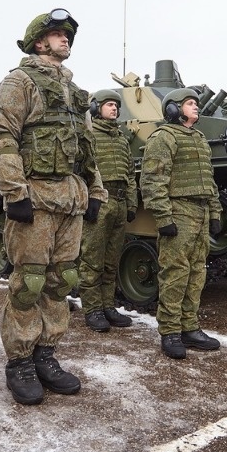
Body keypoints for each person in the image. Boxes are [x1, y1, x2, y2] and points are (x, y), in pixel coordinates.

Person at [0, 9, 107, 405]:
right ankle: (19, 361)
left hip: (70, 199)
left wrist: (95, 192)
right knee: (30, 281)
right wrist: (14, 191)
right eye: (58, 34)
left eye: (67, 35)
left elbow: (87, 150)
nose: (65, 40)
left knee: (61, 281)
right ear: (39, 42)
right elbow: (3, 136)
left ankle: (46, 355)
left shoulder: (77, 94)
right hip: (36, 196)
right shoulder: (18, 81)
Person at [139, 88, 223, 359]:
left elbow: (209, 181)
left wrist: (215, 213)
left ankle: (190, 326)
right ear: (173, 109)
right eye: (189, 103)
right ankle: (170, 331)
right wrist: (164, 217)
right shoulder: (164, 137)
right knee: (174, 273)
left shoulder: (198, 138)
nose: (195, 107)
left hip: (199, 212)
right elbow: (152, 180)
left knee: (197, 272)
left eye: (196, 104)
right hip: (179, 211)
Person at [79, 90, 138, 332]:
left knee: (112, 260)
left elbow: (130, 175)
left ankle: (107, 305)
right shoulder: (88, 136)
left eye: (116, 105)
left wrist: (132, 203)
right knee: (92, 259)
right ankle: (92, 309)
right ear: (95, 109)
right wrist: (88, 200)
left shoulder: (122, 139)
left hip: (120, 203)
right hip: (99, 202)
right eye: (109, 105)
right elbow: (80, 170)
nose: (114, 109)